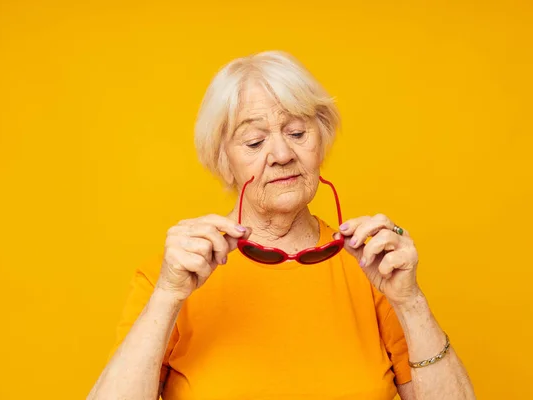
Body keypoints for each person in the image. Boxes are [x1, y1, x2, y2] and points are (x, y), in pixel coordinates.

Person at [88, 51, 475, 400]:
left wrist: (410, 302)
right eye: (254, 142)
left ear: (321, 139)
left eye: (296, 133)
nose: (281, 154)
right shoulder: (170, 277)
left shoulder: (372, 268)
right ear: (223, 160)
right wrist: (168, 295)